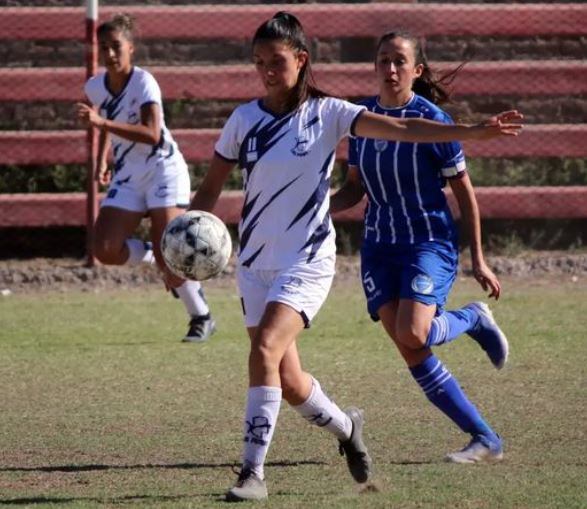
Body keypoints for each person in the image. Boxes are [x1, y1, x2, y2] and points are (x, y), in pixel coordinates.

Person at [190, 12, 522, 502]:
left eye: (275, 61)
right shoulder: (244, 120)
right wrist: (176, 243)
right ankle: (348, 429)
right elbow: (214, 192)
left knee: (265, 350)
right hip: (277, 259)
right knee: (289, 376)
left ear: (301, 60)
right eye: (258, 61)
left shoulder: (335, 113)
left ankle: (252, 474)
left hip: (327, 257)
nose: (265, 70)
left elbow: (405, 130)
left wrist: (472, 132)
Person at [331, 30, 511, 464]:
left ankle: (471, 318)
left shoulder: (434, 123)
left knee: (414, 332)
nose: (390, 69)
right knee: (410, 344)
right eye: (382, 61)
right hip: (379, 244)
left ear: (417, 70)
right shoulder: (361, 119)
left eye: (399, 61)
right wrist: (318, 209)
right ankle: (485, 438)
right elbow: (354, 189)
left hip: (427, 242)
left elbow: (464, 193)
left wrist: (478, 260)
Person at [76, 14, 215, 343]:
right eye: (104, 47)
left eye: (116, 47)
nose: (110, 54)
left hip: (163, 170)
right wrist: (101, 160)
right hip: (129, 175)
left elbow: (152, 134)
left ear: (131, 48)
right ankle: (159, 253)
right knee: (105, 248)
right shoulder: (95, 86)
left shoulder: (143, 83)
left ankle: (202, 318)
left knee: (174, 258)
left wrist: (100, 124)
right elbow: (107, 120)